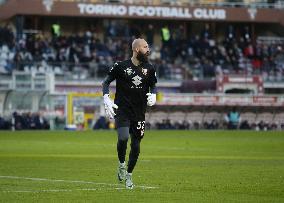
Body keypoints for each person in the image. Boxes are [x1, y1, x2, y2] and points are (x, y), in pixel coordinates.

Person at [102, 38, 157, 189]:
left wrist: (154, 94)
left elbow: (153, 85)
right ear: (136, 49)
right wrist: (106, 97)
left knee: (136, 145)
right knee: (123, 137)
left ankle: (129, 175)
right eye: (145, 47)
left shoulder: (150, 68)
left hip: (139, 113)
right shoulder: (120, 66)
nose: (148, 49)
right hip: (123, 111)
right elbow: (106, 82)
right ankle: (121, 164)